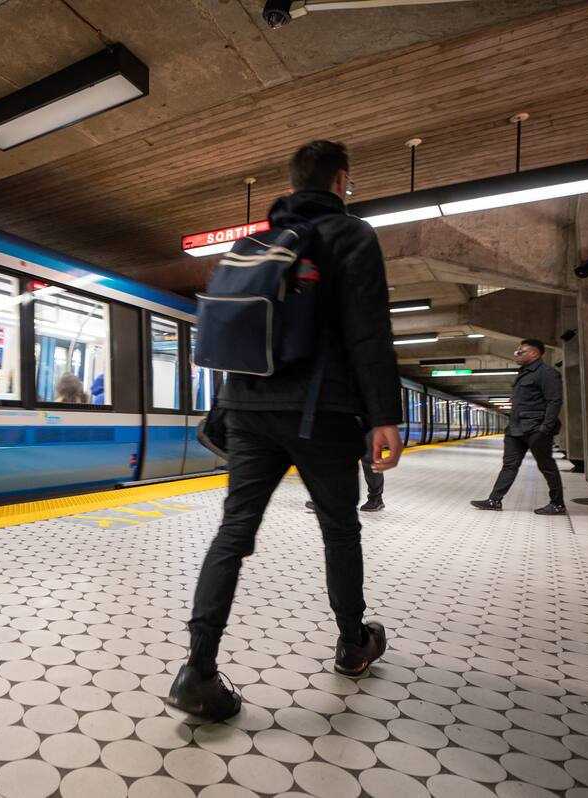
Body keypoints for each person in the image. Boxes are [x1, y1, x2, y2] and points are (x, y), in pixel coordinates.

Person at [168, 141, 404, 722]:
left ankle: (198, 670)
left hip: (248, 412)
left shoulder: (252, 245)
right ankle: (353, 643)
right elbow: (368, 332)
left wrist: (227, 407)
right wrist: (383, 416)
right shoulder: (352, 236)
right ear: (342, 181)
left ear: (291, 183)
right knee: (339, 529)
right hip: (321, 413)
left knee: (233, 533)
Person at [471, 339, 564, 515]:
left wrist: (545, 428)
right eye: (517, 351)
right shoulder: (524, 373)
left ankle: (557, 504)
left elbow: (554, 401)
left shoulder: (547, 373)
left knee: (546, 466)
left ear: (534, 354)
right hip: (516, 430)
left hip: (536, 429)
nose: (516, 354)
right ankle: (494, 500)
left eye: (521, 352)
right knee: (509, 465)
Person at [306, 428, 385, 512]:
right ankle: (329, 499)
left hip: (367, 420)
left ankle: (376, 498)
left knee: (369, 458)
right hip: (342, 419)